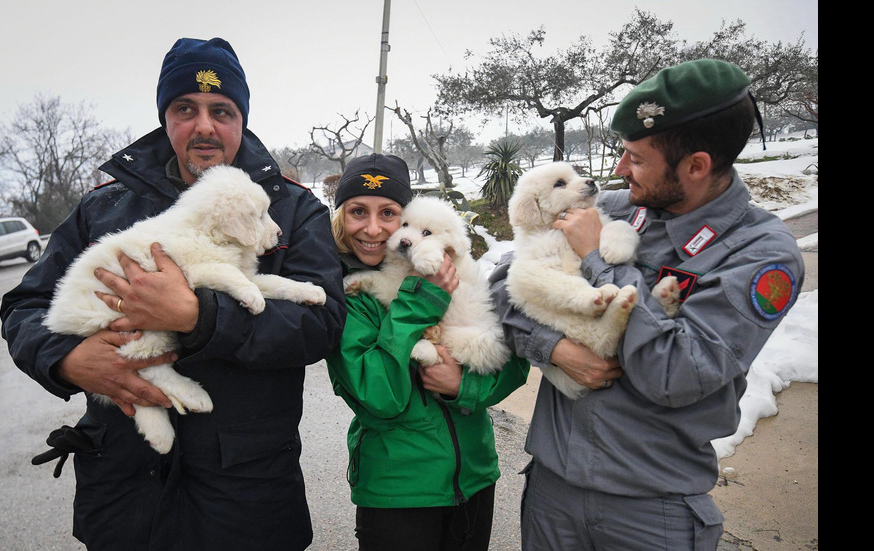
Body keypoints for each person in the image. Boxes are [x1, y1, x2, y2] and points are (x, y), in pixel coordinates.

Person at [0, 37, 346, 550]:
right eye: (186, 108)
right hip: (123, 496)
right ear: (166, 118)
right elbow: (25, 306)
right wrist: (68, 360)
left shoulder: (293, 210)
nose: (204, 125)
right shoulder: (103, 208)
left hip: (246, 500)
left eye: (221, 110)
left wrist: (200, 316)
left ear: (241, 120)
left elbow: (323, 324)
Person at [488, 58, 805, 550]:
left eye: (636, 159)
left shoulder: (761, 254)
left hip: (650, 510)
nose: (619, 171)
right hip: (553, 491)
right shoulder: (616, 209)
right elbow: (504, 286)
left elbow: (678, 372)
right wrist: (553, 349)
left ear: (696, 166)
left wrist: (599, 261)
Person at [325, 153, 530, 551]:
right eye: (356, 212)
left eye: (389, 213)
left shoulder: (454, 270)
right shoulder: (347, 296)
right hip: (398, 493)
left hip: (474, 478)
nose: (373, 228)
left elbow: (513, 361)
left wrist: (462, 387)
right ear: (340, 219)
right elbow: (381, 397)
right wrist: (423, 300)